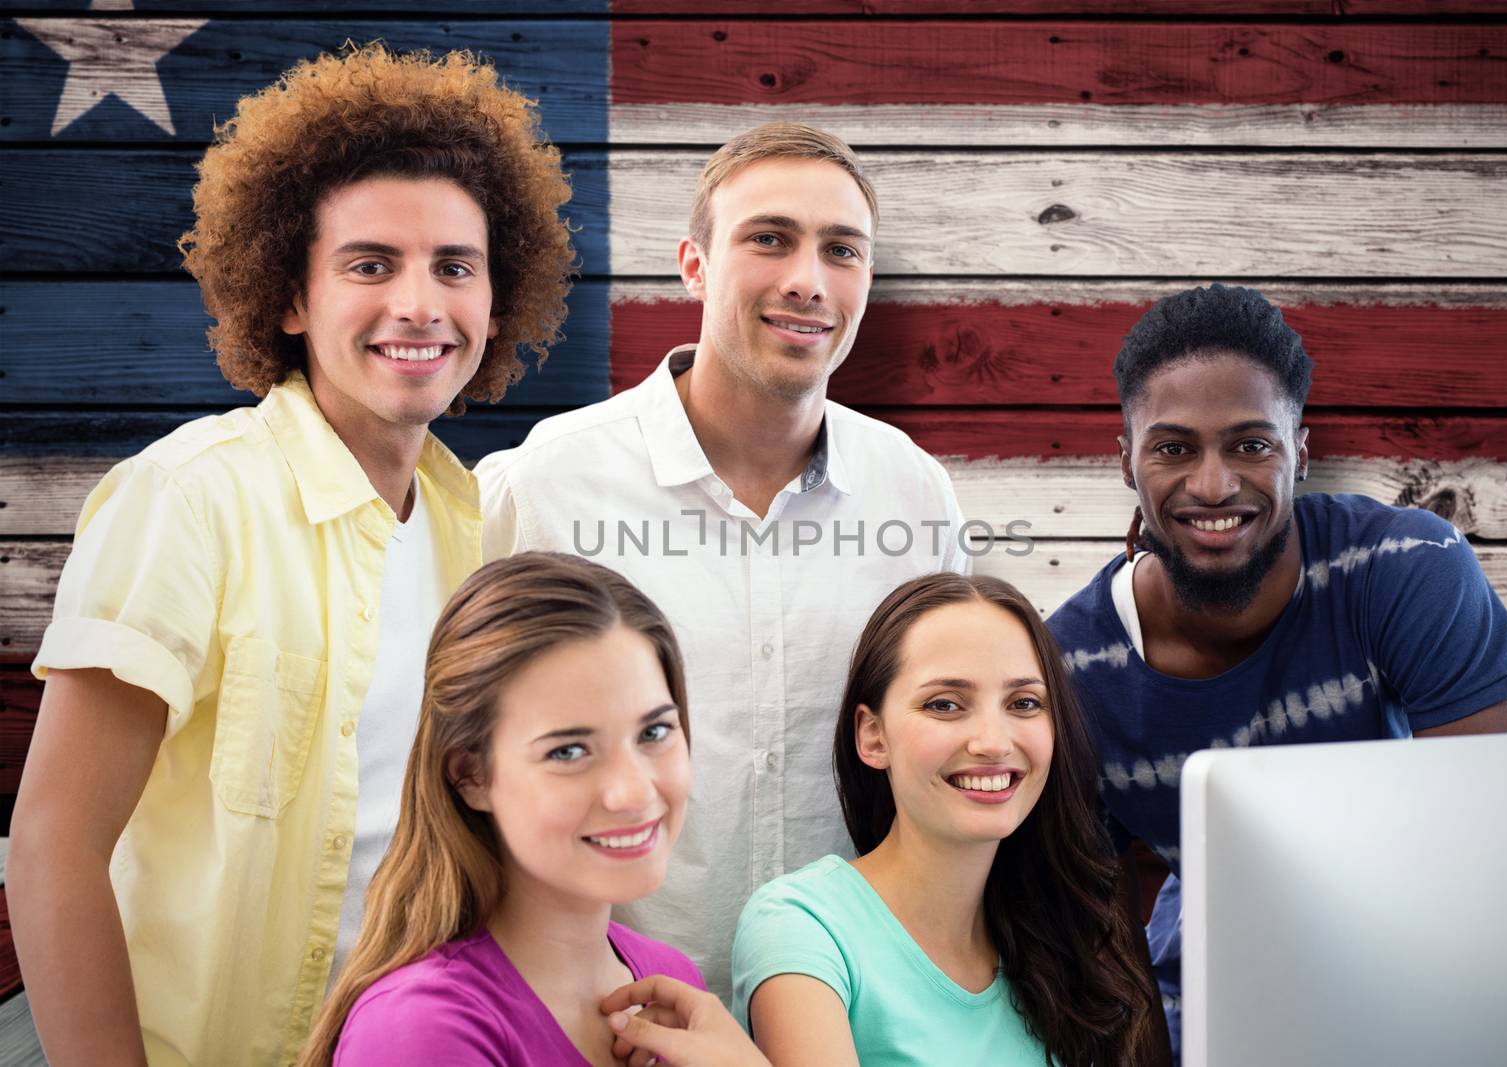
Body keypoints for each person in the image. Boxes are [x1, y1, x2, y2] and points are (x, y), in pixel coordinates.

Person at [8, 46, 574, 1066]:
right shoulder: (190, 498)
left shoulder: (480, 528)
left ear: (497, 300)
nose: (419, 304)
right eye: (370, 265)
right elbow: (54, 844)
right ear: (290, 296)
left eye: (455, 266)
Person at [476, 121, 969, 995]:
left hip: (856, 1009)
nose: (807, 281)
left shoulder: (914, 493)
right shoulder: (555, 478)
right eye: (769, 239)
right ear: (694, 265)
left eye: (841, 250)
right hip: (609, 1010)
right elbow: (470, 749)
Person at [1044, 282, 1507, 1060]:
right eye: (1173, 447)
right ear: (1126, 462)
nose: (1213, 485)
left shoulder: (1403, 568)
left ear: (1300, 451)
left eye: (1251, 444)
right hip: (1206, 1001)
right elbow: (1103, 957)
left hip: (1414, 957)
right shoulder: (1073, 667)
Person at [301, 552, 768, 1067]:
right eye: (568, 751)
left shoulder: (671, 984)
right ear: (470, 776)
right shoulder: (418, 1030)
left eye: (654, 732)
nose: (633, 792)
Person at [728, 573, 1161, 1066]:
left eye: (1023, 703)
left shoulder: (1070, 937)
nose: (994, 742)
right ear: (873, 737)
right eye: (946, 705)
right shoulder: (801, 927)